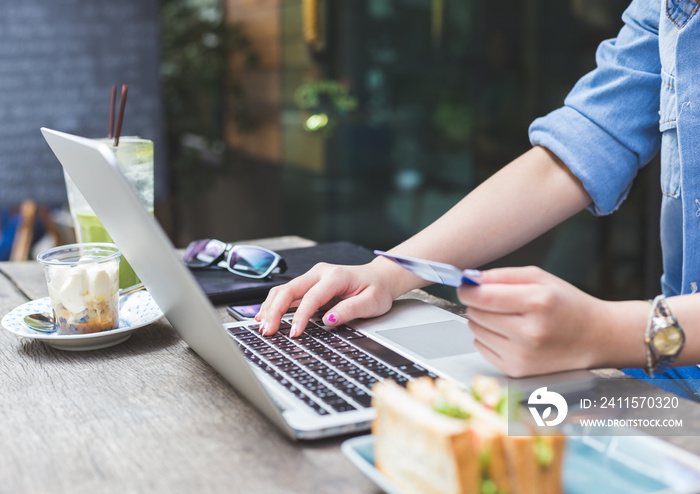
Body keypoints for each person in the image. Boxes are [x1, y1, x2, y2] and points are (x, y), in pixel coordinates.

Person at [256, 0, 700, 386]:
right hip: (668, 380)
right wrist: (388, 273)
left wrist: (605, 332)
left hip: (653, 358)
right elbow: (589, 139)